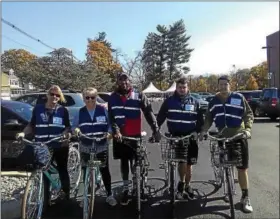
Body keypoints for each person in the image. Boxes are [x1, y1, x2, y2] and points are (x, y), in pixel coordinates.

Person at [200, 75, 253, 213]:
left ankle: (245, 197)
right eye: (221, 85)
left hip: (239, 136)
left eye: (226, 84)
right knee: (225, 165)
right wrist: (204, 131)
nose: (223, 87)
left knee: (242, 168)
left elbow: (248, 114)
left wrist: (247, 129)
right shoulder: (213, 101)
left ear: (230, 85)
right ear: (218, 86)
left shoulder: (238, 97)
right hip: (222, 138)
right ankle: (227, 186)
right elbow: (208, 118)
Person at [108, 72, 160, 205]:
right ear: (117, 82)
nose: (124, 84)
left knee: (137, 163)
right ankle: (126, 189)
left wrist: (155, 129)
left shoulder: (139, 95)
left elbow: (148, 113)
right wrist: (116, 130)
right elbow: (111, 117)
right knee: (124, 162)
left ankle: (138, 187)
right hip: (120, 136)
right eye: (121, 81)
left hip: (135, 135)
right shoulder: (112, 98)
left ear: (130, 82)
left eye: (126, 81)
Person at [16, 85, 72, 200]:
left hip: (58, 144)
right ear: (47, 95)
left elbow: (67, 127)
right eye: (52, 94)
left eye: (57, 95)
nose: (54, 97)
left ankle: (66, 193)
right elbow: (31, 125)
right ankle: (45, 199)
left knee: (62, 168)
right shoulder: (38, 109)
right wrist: (23, 133)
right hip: (42, 145)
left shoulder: (63, 110)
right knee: (43, 170)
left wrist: (66, 134)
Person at [156, 76, 204, 199]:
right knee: (182, 161)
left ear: (188, 88)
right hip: (176, 136)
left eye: (184, 87)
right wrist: (156, 130)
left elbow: (200, 120)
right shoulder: (169, 102)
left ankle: (188, 185)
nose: (182, 89)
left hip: (191, 137)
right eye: (179, 87)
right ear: (176, 88)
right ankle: (181, 185)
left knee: (189, 164)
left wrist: (198, 131)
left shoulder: (195, 102)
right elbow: (160, 117)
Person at [72, 87, 117, 206]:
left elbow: (109, 125)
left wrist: (109, 133)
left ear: (96, 98)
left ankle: (109, 194)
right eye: (87, 97)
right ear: (83, 98)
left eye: (93, 97)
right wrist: (76, 130)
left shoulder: (103, 110)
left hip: (101, 144)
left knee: (104, 169)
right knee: (86, 170)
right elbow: (74, 126)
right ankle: (86, 196)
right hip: (85, 144)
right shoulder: (80, 112)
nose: (90, 100)